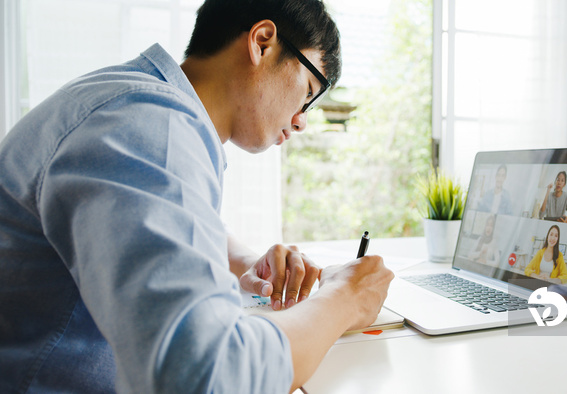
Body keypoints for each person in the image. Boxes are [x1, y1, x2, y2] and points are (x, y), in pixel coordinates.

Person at [0, 1, 394, 393]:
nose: (301, 121)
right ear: (262, 42)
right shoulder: (151, 131)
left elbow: (143, 215)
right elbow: (208, 375)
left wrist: (241, 260)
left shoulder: (128, 101)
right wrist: (344, 299)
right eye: (309, 92)